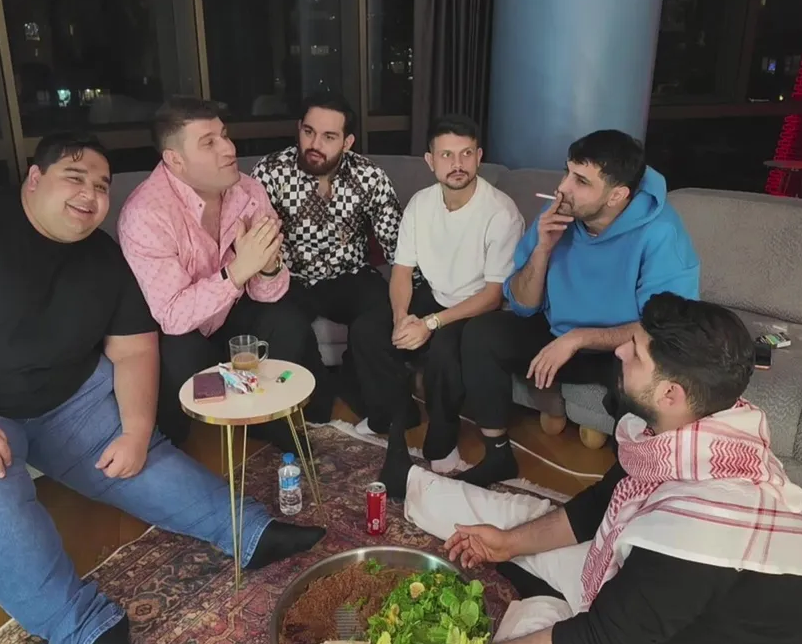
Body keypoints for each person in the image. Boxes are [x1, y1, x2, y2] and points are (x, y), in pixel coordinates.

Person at [0, 132, 325, 644]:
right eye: (74, 177)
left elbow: (135, 350)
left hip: (63, 400)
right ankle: (82, 629)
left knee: (141, 461)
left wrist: (137, 432)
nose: (90, 194)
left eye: (102, 185)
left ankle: (251, 533)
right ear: (35, 178)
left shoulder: (104, 257)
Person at [384, 293, 802, 644]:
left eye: (636, 352)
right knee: (517, 523)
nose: (619, 351)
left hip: (653, 636)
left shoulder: (701, 524)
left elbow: (599, 640)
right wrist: (507, 544)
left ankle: (541, 604)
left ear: (670, 394)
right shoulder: (689, 436)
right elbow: (599, 506)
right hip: (644, 600)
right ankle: (411, 483)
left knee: (532, 629)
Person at [455, 129, 701, 488]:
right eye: (567, 172)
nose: (563, 188)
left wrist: (578, 338)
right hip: (558, 332)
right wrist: (542, 249)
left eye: (581, 181)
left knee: (648, 379)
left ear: (617, 195)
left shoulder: (661, 233)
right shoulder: (559, 212)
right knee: (481, 334)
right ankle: (497, 455)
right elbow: (523, 305)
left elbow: (663, 328)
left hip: (619, 346)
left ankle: (629, 485)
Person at [117, 96, 334, 449]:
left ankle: (270, 421)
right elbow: (172, 315)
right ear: (175, 159)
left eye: (224, 135)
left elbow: (268, 293)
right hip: (176, 330)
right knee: (179, 357)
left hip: (230, 311)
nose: (228, 149)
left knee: (287, 321)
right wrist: (237, 271)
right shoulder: (146, 214)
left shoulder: (247, 191)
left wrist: (267, 267)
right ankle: (170, 446)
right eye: (209, 143)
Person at [351, 114, 522, 481]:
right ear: (430, 161)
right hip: (436, 293)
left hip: (478, 306)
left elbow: (493, 295)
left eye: (465, 154)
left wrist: (429, 324)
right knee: (368, 329)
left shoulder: (501, 212)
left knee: (445, 348)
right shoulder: (421, 204)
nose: (457, 164)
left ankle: (441, 445)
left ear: (479, 156)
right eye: (446, 155)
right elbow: (401, 271)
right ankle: (391, 414)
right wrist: (401, 317)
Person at [250, 92, 403, 410]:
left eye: (329, 136)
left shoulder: (369, 177)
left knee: (379, 312)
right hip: (288, 278)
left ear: (347, 142)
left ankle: (364, 394)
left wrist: (417, 292)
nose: (315, 144)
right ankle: (315, 400)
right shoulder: (271, 172)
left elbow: (396, 246)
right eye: (309, 132)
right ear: (299, 128)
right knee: (283, 324)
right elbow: (255, 240)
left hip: (350, 274)